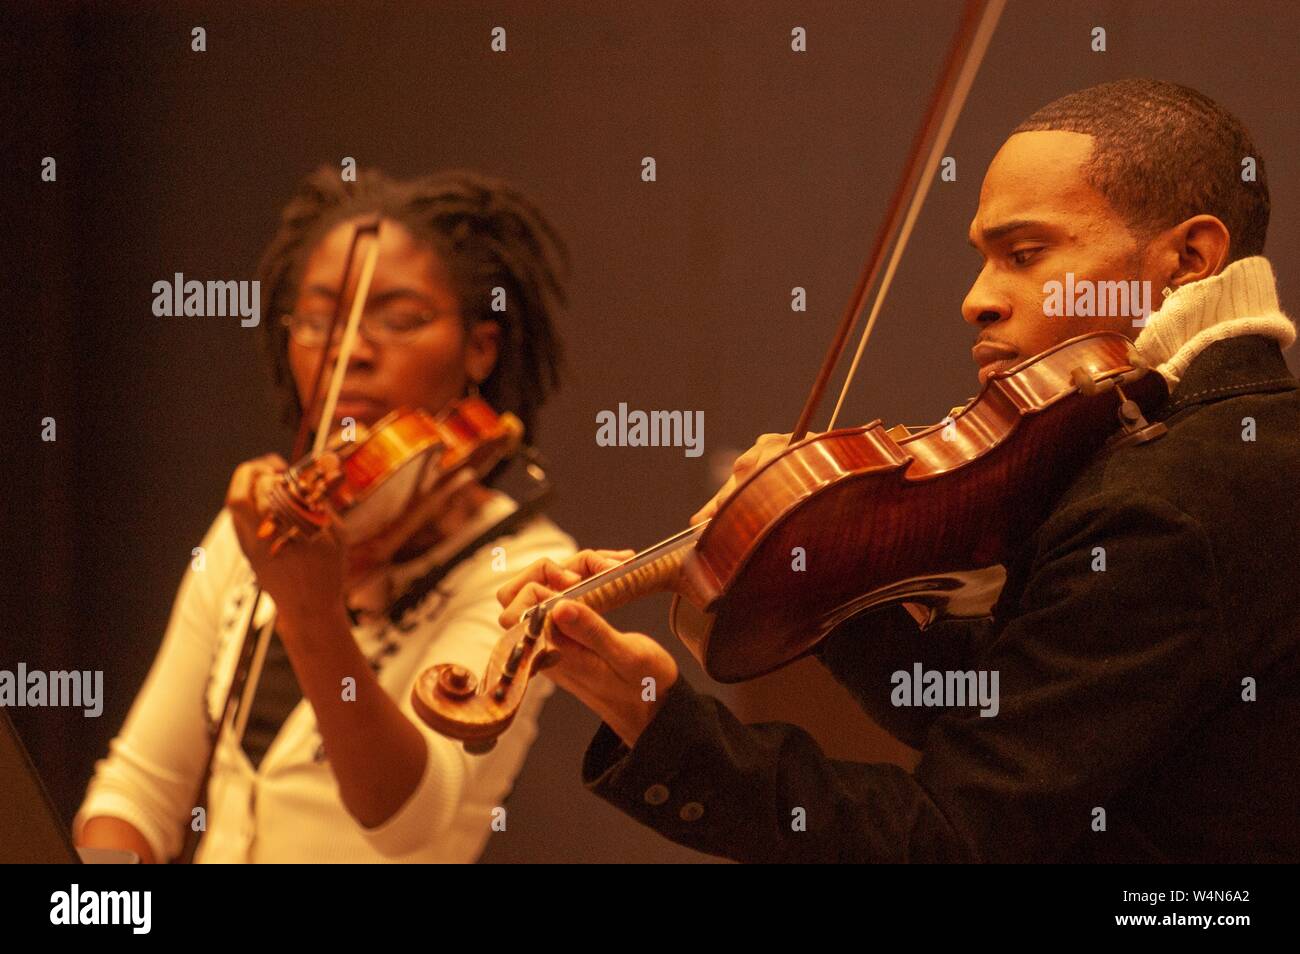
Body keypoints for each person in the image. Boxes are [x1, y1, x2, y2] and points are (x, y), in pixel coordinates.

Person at [497, 79, 1300, 862]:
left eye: (1025, 254)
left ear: (1190, 259)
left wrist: (661, 725)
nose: (977, 300)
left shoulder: (1166, 503)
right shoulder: (1233, 443)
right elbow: (1016, 716)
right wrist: (814, 561)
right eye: (985, 259)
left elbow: (955, 837)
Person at [76, 167, 576, 862]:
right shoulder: (254, 529)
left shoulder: (521, 573)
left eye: (400, 320)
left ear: (479, 349)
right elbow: (138, 792)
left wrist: (311, 610)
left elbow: (405, 820)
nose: (349, 351)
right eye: (317, 322)